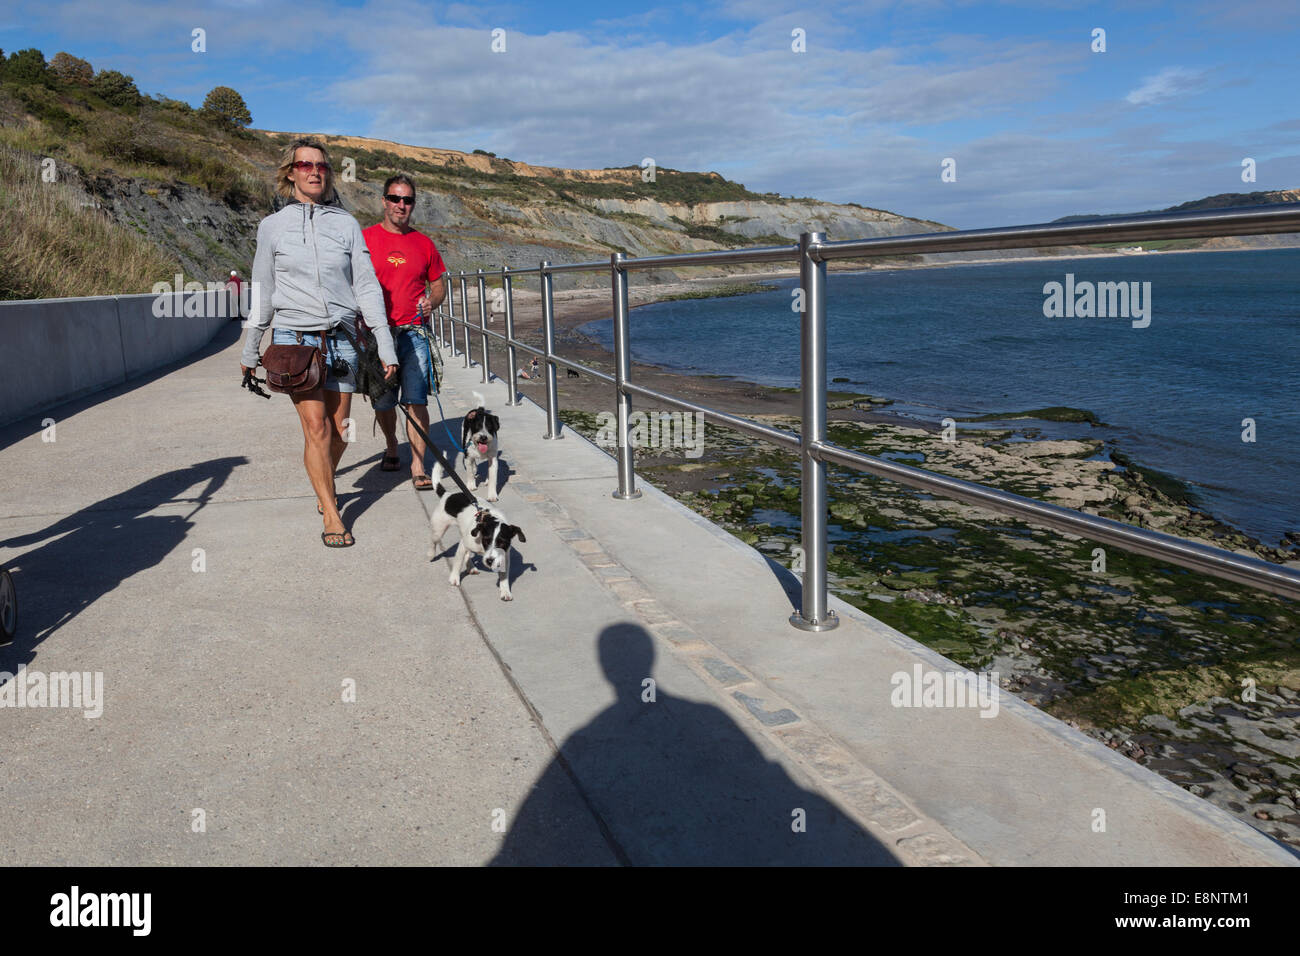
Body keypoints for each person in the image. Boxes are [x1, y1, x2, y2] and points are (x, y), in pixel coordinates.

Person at [239, 138, 397, 547]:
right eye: (305, 165)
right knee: (317, 428)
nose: (314, 171)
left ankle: (322, 480)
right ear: (290, 172)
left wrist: (385, 344)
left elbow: (365, 287)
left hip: (343, 339)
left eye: (322, 166)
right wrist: (250, 346)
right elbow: (263, 288)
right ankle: (331, 510)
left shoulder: (345, 224)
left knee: (341, 429)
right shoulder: (272, 227)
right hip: (295, 339)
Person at [362, 174, 448, 489]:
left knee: (417, 399)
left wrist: (432, 302)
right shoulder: (364, 239)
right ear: (384, 201)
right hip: (378, 332)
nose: (402, 205)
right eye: (395, 198)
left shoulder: (424, 243)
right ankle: (390, 445)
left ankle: (417, 464)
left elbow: (439, 287)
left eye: (408, 200)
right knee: (383, 402)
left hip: (414, 332)